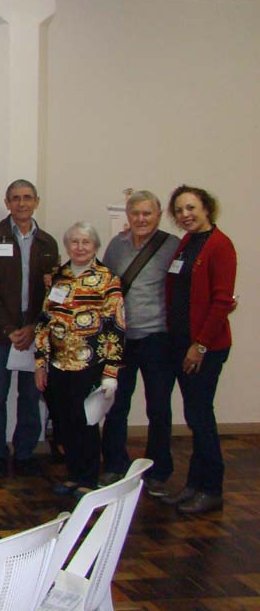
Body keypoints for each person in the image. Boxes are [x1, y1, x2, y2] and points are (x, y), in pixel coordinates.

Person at [159, 185, 236, 515]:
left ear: (206, 208)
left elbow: (221, 302)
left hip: (205, 347)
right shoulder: (188, 242)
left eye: (190, 207)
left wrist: (200, 345)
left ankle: (212, 489)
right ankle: (194, 485)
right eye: (179, 210)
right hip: (181, 343)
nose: (185, 214)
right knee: (194, 415)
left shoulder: (220, 245)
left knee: (201, 417)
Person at [34, 222, 125, 499]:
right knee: (64, 422)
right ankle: (74, 475)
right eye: (74, 242)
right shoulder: (58, 277)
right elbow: (44, 322)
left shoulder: (108, 279)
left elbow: (117, 327)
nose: (80, 247)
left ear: (95, 246)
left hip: (90, 365)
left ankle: (88, 478)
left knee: (85, 422)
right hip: (58, 365)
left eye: (86, 242)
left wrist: (111, 372)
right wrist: (40, 364)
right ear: (67, 246)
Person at [0, 179, 59, 478]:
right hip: (0, 331)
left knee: (31, 394)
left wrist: (34, 327)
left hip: (35, 330)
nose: (21, 203)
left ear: (36, 201)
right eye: (15, 198)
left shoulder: (48, 243)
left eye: (27, 197)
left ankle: (24, 453)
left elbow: (55, 291)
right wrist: (10, 328)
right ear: (7, 202)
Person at [99, 190, 180, 494]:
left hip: (157, 337)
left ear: (158, 215)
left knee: (158, 407)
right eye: (136, 213)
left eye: (147, 213)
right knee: (116, 403)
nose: (141, 219)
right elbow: (106, 284)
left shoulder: (172, 246)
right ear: (128, 216)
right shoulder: (116, 245)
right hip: (122, 338)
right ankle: (114, 465)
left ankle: (158, 470)